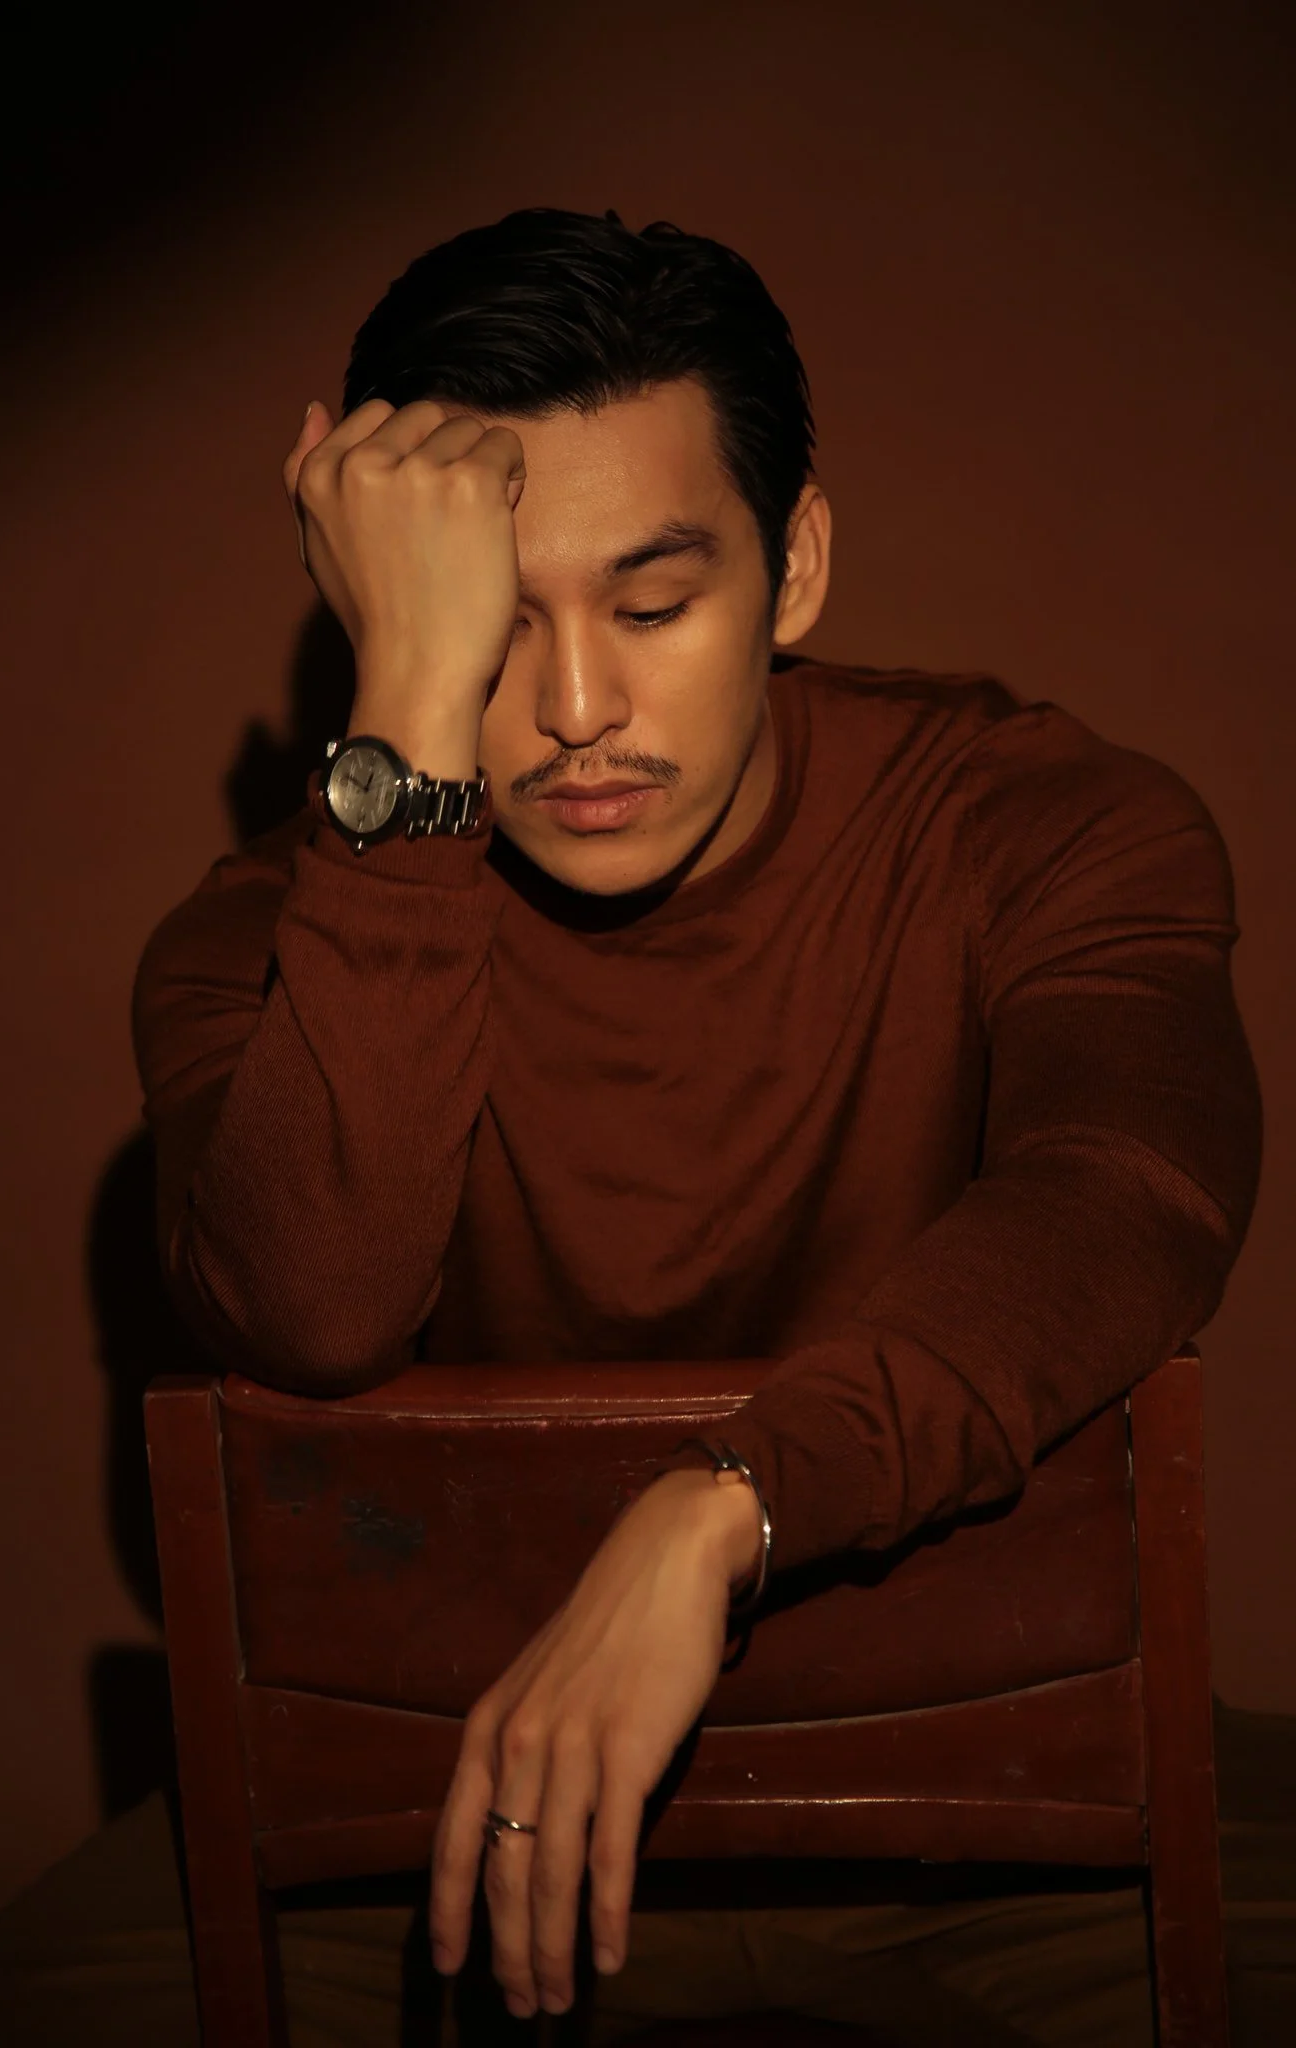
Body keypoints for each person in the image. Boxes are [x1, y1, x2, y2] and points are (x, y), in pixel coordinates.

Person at [132, 206, 1263, 2032]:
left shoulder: (1051, 829)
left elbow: (1129, 1192)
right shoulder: (257, 950)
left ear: (796, 566)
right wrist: (408, 728)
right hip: (446, 1849)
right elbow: (310, 1310)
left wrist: (720, 1505)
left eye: (655, 605)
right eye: (493, 631)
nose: (579, 711)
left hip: (995, 1821)